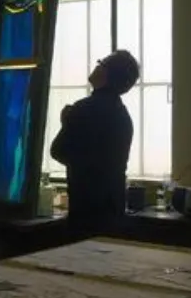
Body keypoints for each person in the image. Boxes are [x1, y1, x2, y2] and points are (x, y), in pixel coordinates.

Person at [50, 50, 139, 237]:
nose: (97, 65)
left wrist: (66, 122)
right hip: (113, 208)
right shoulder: (123, 116)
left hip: (85, 209)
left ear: (107, 73)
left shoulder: (83, 109)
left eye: (101, 62)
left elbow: (57, 150)